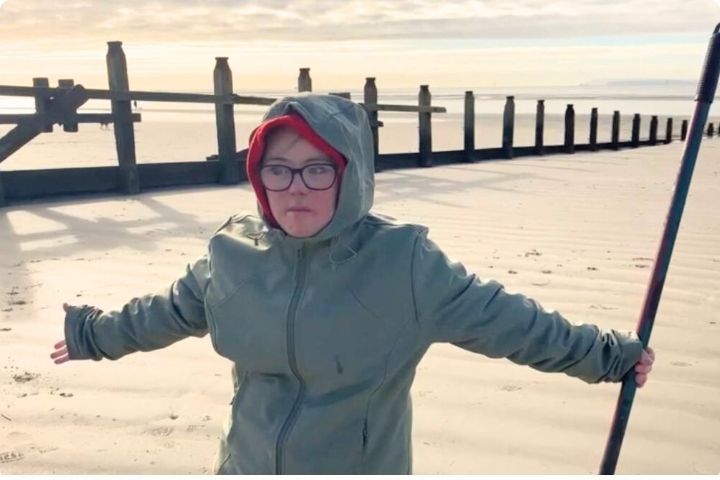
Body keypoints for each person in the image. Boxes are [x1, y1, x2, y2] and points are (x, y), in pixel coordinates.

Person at [51, 93, 655, 475]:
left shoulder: (405, 263)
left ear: (351, 174)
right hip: (246, 467)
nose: (295, 188)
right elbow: (168, 311)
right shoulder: (231, 252)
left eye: (318, 169)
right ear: (258, 176)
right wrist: (91, 335)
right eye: (278, 169)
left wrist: (608, 357)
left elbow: (511, 323)